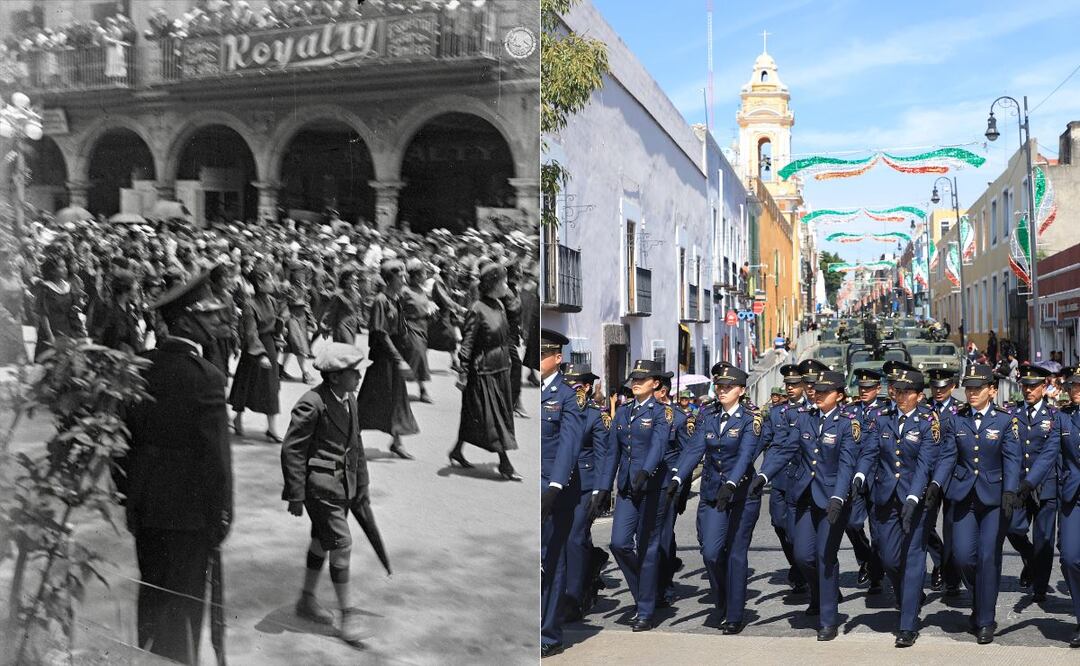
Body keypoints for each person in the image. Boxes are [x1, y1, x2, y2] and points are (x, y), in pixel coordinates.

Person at [115, 269, 233, 665]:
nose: (219, 321)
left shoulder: (139, 366)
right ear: (185, 321)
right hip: (191, 514)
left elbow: (119, 442)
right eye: (210, 315)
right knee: (185, 606)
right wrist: (221, 515)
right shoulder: (207, 379)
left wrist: (129, 496)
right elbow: (217, 459)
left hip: (146, 507)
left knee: (152, 594)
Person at [750, 369, 861, 642]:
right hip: (804, 497)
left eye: (825, 392)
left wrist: (839, 496)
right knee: (802, 555)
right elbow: (785, 449)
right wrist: (763, 474)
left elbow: (847, 465)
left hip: (832, 500)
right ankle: (825, 592)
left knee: (825, 557)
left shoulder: (847, 423)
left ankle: (828, 619)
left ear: (839, 395)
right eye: (817, 391)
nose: (819, 395)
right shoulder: (804, 420)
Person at [280, 342, 371, 647]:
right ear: (334, 377)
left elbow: (355, 444)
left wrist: (362, 485)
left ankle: (306, 600)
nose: (358, 377)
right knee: (341, 545)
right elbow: (292, 449)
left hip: (343, 485)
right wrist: (295, 493)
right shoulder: (312, 403)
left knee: (321, 540)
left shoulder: (349, 399)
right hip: (320, 488)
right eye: (352, 372)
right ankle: (347, 618)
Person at [665, 362, 761, 634]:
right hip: (711, 494)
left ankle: (734, 613)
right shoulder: (708, 416)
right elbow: (693, 451)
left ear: (741, 391)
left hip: (740, 494)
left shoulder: (749, 420)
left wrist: (731, 483)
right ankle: (722, 598)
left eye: (728, 387)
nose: (722, 391)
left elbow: (745, 456)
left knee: (736, 555)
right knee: (710, 552)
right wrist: (676, 478)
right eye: (719, 386)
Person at [856, 365, 941, 647]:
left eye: (907, 392)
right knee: (889, 557)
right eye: (898, 391)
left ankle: (907, 624)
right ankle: (911, 594)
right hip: (884, 495)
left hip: (915, 499)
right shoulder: (882, 418)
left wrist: (915, 497)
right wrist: (859, 475)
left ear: (919, 395)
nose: (901, 396)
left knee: (914, 555)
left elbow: (926, 463)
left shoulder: (929, 421)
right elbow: (869, 451)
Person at [588, 359, 673, 632]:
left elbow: (659, 445)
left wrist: (646, 471)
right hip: (627, 488)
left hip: (651, 487)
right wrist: (603, 488)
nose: (635, 382)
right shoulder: (623, 413)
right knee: (620, 543)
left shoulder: (661, 413)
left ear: (655, 384)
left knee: (647, 548)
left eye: (641, 378)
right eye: (633, 378)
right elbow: (612, 453)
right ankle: (647, 592)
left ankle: (645, 610)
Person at [947, 364, 1021, 644]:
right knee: (963, 555)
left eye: (978, 388)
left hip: (994, 499)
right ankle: (979, 600)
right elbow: (948, 457)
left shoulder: (1004, 421)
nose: (972, 393)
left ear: (992, 390)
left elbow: (1012, 458)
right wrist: (936, 485)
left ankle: (986, 619)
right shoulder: (958, 420)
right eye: (969, 388)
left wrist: (1010, 491)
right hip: (964, 495)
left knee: (988, 556)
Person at [538, 330, 586, 658]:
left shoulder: (567, 396)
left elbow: (569, 444)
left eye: (542, 354)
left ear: (557, 358)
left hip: (553, 491)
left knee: (550, 561)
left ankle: (549, 634)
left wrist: (555, 486)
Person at [449, 262, 520, 478]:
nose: (506, 284)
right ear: (493, 283)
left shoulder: (499, 304)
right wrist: (462, 370)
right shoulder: (476, 309)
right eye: (503, 281)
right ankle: (505, 463)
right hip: (482, 371)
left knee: (474, 415)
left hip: (500, 368)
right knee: (494, 417)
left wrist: (506, 295)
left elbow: (516, 310)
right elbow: (467, 343)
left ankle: (456, 450)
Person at [559, 364, 610, 623]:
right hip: (558, 485)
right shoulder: (557, 410)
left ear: (587, 387)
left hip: (585, 486)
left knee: (574, 538)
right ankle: (589, 567)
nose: (568, 389)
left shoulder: (595, 415)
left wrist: (601, 491)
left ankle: (573, 598)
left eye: (574, 385)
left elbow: (603, 456)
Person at [1006, 365, 1060, 603]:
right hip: (1020, 485)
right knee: (1013, 528)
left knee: (1044, 538)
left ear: (1043, 387)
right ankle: (1029, 557)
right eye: (1025, 386)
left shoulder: (1054, 416)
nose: (1028, 391)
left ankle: (1039, 584)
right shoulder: (1012, 414)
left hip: (1046, 485)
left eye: (1033, 386)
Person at [356, 260, 418, 459]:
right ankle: (350, 439)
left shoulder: (396, 299)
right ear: (389, 279)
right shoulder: (381, 301)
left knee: (397, 400)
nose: (404, 278)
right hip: (383, 359)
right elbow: (380, 333)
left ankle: (397, 442)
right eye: (399, 276)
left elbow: (400, 328)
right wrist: (398, 359)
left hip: (394, 357)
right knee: (369, 400)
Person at [758, 364, 809, 595]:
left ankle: (802, 570)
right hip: (779, 479)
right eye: (788, 385)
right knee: (779, 524)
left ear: (804, 386)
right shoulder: (776, 412)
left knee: (797, 530)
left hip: (802, 479)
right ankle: (796, 565)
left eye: (795, 385)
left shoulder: (812, 412)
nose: (790, 388)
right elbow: (764, 441)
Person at [842, 368, 887, 595]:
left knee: (879, 531)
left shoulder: (886, 411)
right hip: (855, 477)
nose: (864, 391)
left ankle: (876, 574)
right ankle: (866, 559)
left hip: (879, 477)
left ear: (878, 389)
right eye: (861, 388)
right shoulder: (849, 412)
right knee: (852, 523)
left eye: (869, 388)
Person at [228, 263, 285, 442]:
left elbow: (277, 323)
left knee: (271, 386)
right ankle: (237, 418)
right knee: (245, 385)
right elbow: (251, 332)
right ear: (259, 284)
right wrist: (260, 355)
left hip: (270, 346)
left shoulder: (272, 301)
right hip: (255, 349)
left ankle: (272, 428)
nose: (272, 282)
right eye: (268, 279)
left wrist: (279, 337)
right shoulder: (249, 305)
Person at [923, 368, 962, 596]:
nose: (938, 391)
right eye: (935, 387)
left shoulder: (959, 411)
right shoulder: (925, 409)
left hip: (952, 476)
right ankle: (939, 560)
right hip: (928, 475)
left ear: (952, 388)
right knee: (925, 523)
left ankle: (951, 576)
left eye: (943, 388)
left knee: (951, 528)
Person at [653, 372, 691, 607]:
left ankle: (664, 584)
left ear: (662, 391)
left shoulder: (677, 418)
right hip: (644, 486)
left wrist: (682, 490)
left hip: (668, 486)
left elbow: (688, 455)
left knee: (664, 538)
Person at [1054, 366, 1080, 647]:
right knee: (1070, 557)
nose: (1075, 391)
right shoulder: (1063, 418)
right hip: (1074, 496)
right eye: (1072, 386)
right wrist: (1025, 484)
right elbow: (1050, 453)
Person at [400, 258, 434, 403]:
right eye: (423, 274)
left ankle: (421, 389)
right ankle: (418, 389)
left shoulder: (421, 289)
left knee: (420, 357)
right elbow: (398, 309)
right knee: (417, 355)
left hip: (423, 326)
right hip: (410, 326)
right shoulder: (404, 291)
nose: (425, 276)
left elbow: (424, 304)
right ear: (416, 276)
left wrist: (430, 310)